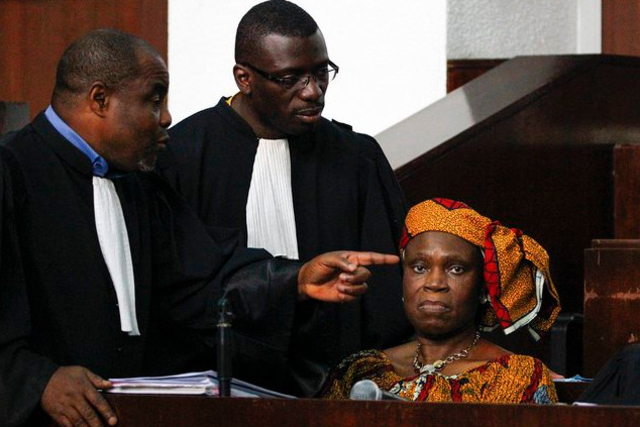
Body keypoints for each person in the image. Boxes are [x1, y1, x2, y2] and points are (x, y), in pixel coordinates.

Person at [0, 28, 399, 427]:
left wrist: (294, 279)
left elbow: (203, 277)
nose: (167, 117)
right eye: (153, 100)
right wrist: (38, 380)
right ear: (100, 100)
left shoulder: (139, 184)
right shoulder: (12, 173)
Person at [158, 0, 411, 396]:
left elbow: (385, 298)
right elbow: (179, 289)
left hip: (337, 389)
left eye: (321, 72)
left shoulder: (357, 157)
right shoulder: (184, 155)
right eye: (290, 77)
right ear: (244, 78)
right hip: (215, 389)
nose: (312, 92)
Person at [322, 198, 562, 403]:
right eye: (419, 267)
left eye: (456, 269)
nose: (434, 283)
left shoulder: (517, 377)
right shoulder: (361, 371)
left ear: (482, 289)